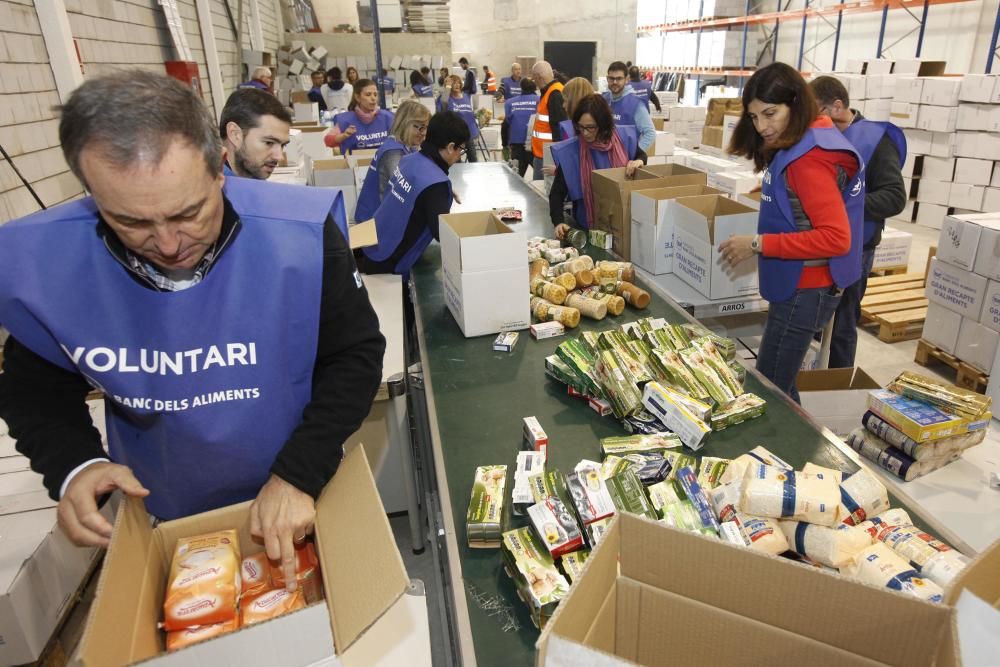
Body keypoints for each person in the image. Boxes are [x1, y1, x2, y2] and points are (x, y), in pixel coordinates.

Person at [0, 71, 385, 590]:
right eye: (130, 222)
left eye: (188, 212)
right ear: (91, 195)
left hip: (302, 484)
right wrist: (76, 465)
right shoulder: (50, 268)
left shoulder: (302, 236)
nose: (167, 242)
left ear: (219, 171)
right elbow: (34, 390)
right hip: (162, 509)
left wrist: (299, 472)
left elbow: (355, 353)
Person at [719, 62, 863, 403]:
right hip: (805, 285)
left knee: (771, 391)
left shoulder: (808, 161)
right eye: (754, 117)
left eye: (770, 113)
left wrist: (757, 243)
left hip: (805, 290)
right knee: (783, 379)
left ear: (796, 104)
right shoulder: (810, 138)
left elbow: (835, 238)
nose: (762, 126)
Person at [810, 75, 907, 369]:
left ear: (837, 107)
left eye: (816, 111)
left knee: (842, 322)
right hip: (818, 243)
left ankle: (837, 389)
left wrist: (847, 205)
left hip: (856, 248)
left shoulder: (877, 141)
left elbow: (894, 197)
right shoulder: (820, 136)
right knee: (811, 319)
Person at [360, 111, 470, 276]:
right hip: (389, 263)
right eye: (460, 149)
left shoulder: (409, 159)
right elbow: (443, 234)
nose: (460, 155)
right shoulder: (436, 186)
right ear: (450, 147)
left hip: (373, 244)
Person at [548, 94, 645, 238]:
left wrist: (639, 161)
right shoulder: (573, 151)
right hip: (587, 227)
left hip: (622, 225)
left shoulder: (624, 138)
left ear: (603, 124)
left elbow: (641, 156)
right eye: (581, 127)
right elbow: (556, 193)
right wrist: (558, 222)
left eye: (591, 127)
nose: (585, 133)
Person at [355, 100, 431, 222]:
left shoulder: (406, 145)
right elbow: (402, 189)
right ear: (404, 124)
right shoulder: (393, 153)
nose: (424, 133)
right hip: (374, 223)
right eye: (420, 128)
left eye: (426, 128)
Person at [219, 88, 292, 180]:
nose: (279, 157)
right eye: (269, 143)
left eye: (283, 145)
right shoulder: (210, 191)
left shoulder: (248, 180)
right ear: (235, 134)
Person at [325, 78, 395, 155]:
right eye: (368, 94)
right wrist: (343, 136)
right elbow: (328, 141)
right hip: (355, 165)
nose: (373, 98)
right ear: (357, 97)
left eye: (375, 94)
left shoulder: (388, 117)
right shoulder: (345, 120)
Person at [603, 61, 656, 153]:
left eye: (619, 78)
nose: (615, 82)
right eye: (611, 78)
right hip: (605, 157)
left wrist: (635, 154)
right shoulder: (603, 99)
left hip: (624, 162)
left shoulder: (636, 104)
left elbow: (650, 133)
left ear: (626, 79)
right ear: (607, 78)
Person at [529, 61, 567, 180]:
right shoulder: (551, 92)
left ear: (539, 77)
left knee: (541, 194)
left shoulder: (554, 94)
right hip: (544, 153)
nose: (534, 83)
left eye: (534, 79)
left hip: (548, 156)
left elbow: (559, 128)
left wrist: (557, 159)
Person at [501, 78, 538, 177]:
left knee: (515, 181)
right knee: (542, 180)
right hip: (536, 146)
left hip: (517, 146)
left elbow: (505, 125)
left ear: (521, 87)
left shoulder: (510, 102)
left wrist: (504, 144)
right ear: (535, 87)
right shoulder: (541, 101)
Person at [438, 74, 479, 163]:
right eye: (454, 83)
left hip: (469, 133)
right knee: (456, 160)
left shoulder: (466, 96)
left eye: (458, 83)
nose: (456, 85)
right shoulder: (447, 99)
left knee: (473, 158)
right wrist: (448, 86)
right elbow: (443, 102)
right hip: (454, 134)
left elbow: (470, 113)